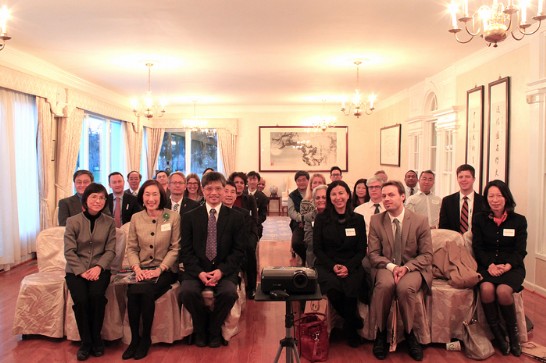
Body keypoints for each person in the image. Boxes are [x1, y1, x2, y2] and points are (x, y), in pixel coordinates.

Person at [368, 180, 433, 361]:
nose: (386, 199)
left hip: (412, 268)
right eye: (384, 196)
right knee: (384, 286)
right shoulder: (376, 221)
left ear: (403, 196)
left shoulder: (420, 221)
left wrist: (406, 267)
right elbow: (373, 254)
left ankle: (411, 335)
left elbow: (427, 255)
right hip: (386, 266)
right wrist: (392, 267)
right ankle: (381, 335)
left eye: (391, 195)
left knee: (405, 289)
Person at [179, 172, 245, 348]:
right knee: (186, 292)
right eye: (209, 188)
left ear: (225, 190)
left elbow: (238, 251)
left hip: (224, 270)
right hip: (196, 271)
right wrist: (199, 272)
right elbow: (186, 251)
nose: (214, 192)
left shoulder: (236, 218)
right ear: (202, 190)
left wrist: (221, 271)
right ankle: (201, 328)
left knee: (229, 293)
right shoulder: (189, 217)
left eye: (218, 188)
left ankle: (214, 329)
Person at [123, 180, 181, 360]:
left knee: (146, 291)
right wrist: (136, 268)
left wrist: (160, 269)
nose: (151, 198)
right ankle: (134, 340)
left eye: (155, 194)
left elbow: (175, 248)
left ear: (161, 195)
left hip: (164, 270)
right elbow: (131, 248)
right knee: (132, 291)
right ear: (142, 196)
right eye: (147, 194)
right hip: (141, 268)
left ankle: (145, 339)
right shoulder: (136, 218)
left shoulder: (172, 217)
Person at [473, 180, 527, 357]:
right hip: (487, 265)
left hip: (512, 267)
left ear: (506, 197)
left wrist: (507, 266)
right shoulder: (480, 219)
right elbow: (478, 247)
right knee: (486, 288)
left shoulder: (519, 221)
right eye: (491, 196)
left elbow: (520, 251)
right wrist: (490, 265)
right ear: (486, 199)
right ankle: (499, 336)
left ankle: (514, 336)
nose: (495, 200)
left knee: (504, 292)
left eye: (499, 195)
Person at [64, 183, 116, 361]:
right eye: (94, 196)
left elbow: (110, 251)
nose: (98, 200)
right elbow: (69, 251)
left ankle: (97, 339)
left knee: (97, 297)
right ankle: (86, 342)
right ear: (85, 199)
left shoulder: (109, 222)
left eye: (102, 197)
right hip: (76, 271)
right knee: (81, 300)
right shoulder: (72, 221)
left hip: (100, 269)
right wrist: (81, 271)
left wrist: (98, 267)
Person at [313, 180, 367, 347]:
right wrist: (333, 266)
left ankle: (350, 329)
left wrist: (348, 267)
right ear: (330, 198)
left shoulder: (358, 219)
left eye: (341, 193)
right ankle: (353, 321)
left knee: (351, 286)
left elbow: (361, 250)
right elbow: (317, 249)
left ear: (348, 195)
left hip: (352, 264)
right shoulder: (322, 219)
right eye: (334, 194)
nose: (338, 197)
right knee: (334, 288)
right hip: (327, 263)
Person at [223, 181, 259, 298]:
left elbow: (244, 234)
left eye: (232, 192)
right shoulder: (214, 212)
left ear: (236, 195)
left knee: (249, 251)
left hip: (237, 247)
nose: (229, 195)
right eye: (226, 191)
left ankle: (251, 287)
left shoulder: (242, 213)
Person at [439, 164, 485, 233]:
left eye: (467, 177)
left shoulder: (483, 201)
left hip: (477, 242)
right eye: (460, 177)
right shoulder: (447, 201)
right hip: (453, 242)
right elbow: (443, 228)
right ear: (457, 179)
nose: (464, 180)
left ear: (474, 179)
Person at [300, 184, 327, 267]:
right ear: (314, 201)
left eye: (324, 197)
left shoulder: (336, 215)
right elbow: (309, 240)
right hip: (315, 253)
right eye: (317, 198)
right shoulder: (309, 217)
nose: (321, 200)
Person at [288, 170, 310, 265]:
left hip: (313, 222)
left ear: (308, 181)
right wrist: (302, 219)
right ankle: (305, 258)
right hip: (298, 223)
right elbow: (291, 212)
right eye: (299, 180)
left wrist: (308, 220)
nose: (301, 182)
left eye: (304, 180)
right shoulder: (292, 195)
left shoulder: (313, 193)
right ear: (296, 182)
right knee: (296, 243)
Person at [246, 171, 268, 239]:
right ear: (247, 181)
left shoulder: (263, 198)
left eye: (254, 179)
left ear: (258, 181)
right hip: (241, 225)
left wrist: (253, 224)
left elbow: (263, 216)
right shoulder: (242, 194)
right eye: (250, 179)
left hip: (255, 225)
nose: (252, 182)